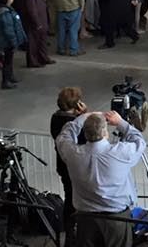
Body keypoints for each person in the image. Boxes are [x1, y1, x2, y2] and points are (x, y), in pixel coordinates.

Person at [56, 110, 146, 247]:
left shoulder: (73, 154)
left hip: (85, 219)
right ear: (105, 133)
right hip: (116, 220)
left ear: (85, 134)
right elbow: (139, 141)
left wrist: (82, 118)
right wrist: (120, 122)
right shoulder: (120, 153)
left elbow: (63, 137)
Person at [50, 87, 87, 239]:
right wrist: (84, 115)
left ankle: (68, 231)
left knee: (69, 196)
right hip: (78, 167)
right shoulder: (74, 123)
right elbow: (87, 137)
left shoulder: (55, 118)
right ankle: (78, 233)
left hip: (63, 164)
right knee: (80, 200)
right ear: (77, 104)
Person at [0, 0, 26, 89]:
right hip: (6, 42)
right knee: (7, 62)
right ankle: (6, 81)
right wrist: (14, 42)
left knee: (9, 61)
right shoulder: (4, 13)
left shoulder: (3, 10)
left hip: (4, 41)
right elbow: (8, 30)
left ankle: (10, 77)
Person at [24, 0, 55, 68]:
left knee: (42, 40)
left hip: (42, 18)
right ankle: (33, 61)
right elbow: (31, 8)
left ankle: (43, 58)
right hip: (37, 20)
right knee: (33, 42)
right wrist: (37, 22)